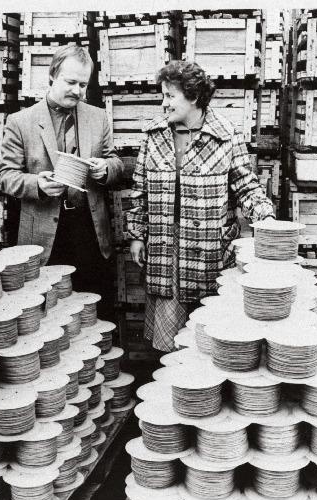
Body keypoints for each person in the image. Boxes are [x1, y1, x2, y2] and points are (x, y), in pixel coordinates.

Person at [126, 60, 275, 352]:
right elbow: (140, 190)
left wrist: (265, 217)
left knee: (208, 342)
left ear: (193, 97)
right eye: (163, 95)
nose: (163, 104)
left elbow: (246, 185)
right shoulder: (154, 136)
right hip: (165, 250)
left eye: (170, 96)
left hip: (209, 251)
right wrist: (136, 234)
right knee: (169, 346)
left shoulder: (226, 135)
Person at [0, 45, 124, 320]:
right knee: (48, 315)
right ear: (52, 76)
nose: (77, 91)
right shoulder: (21, 122)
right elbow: (5, 176)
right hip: (45, 236)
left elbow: (115, 162)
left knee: (95, 313)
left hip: (89, 230)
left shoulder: (97, 117)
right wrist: (37, 185)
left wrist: (106, 169)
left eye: (83, 85)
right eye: (70, 82)